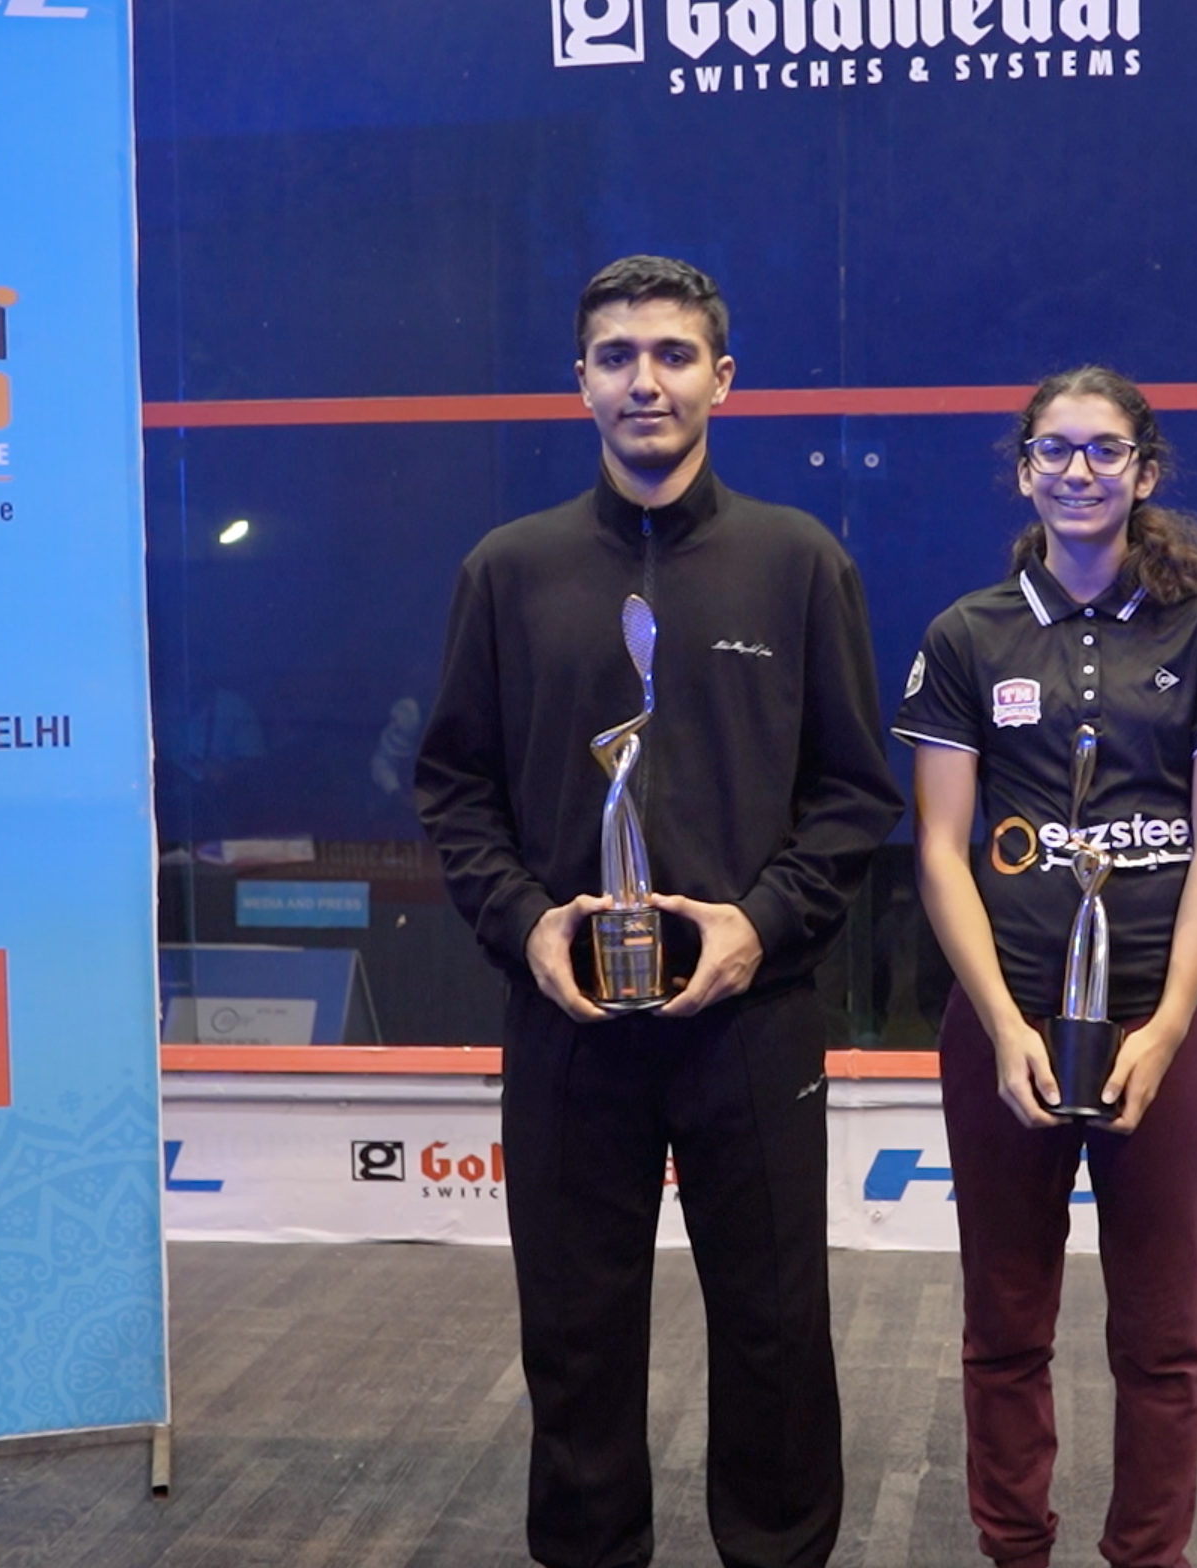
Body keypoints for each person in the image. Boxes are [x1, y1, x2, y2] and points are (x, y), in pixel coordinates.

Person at [414, 255, 902, 1568]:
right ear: (579, 380)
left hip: (751, 1018)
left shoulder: (799, 564)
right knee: (572, 1339)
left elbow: (857, 796)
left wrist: (764, 923)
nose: (647, 379)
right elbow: (452, 788)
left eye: (675, 355)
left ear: (722, 381)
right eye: (619, 355)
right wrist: (524, 925)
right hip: (568, 1018)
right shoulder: (507, 573)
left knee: (775, 1332)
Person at [892, 366, 1197, 1568]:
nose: (1078, 470)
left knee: (1162, 1338)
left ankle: (1146, 1555)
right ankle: (1015, 1548)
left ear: (1143, 472)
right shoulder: (967, 633)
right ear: (1024, 470)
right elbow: (941, 847)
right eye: (1054, 450)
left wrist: (1166, 1026)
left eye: (1104, 450)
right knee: (1005, 1328)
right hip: (1003, 1028)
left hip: (1170, 1025)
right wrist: (1004, 1023)